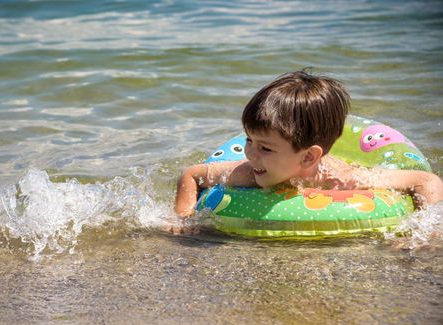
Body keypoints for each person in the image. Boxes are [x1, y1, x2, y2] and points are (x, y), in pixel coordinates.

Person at [174, 70, 443, 220]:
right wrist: (183, 217)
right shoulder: (247, 172)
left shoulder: (344, 180)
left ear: (307, 157)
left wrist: (420, 233)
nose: (251, 154)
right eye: (249, 140)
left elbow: (427, 182)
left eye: (265, 148)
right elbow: (192, 174)